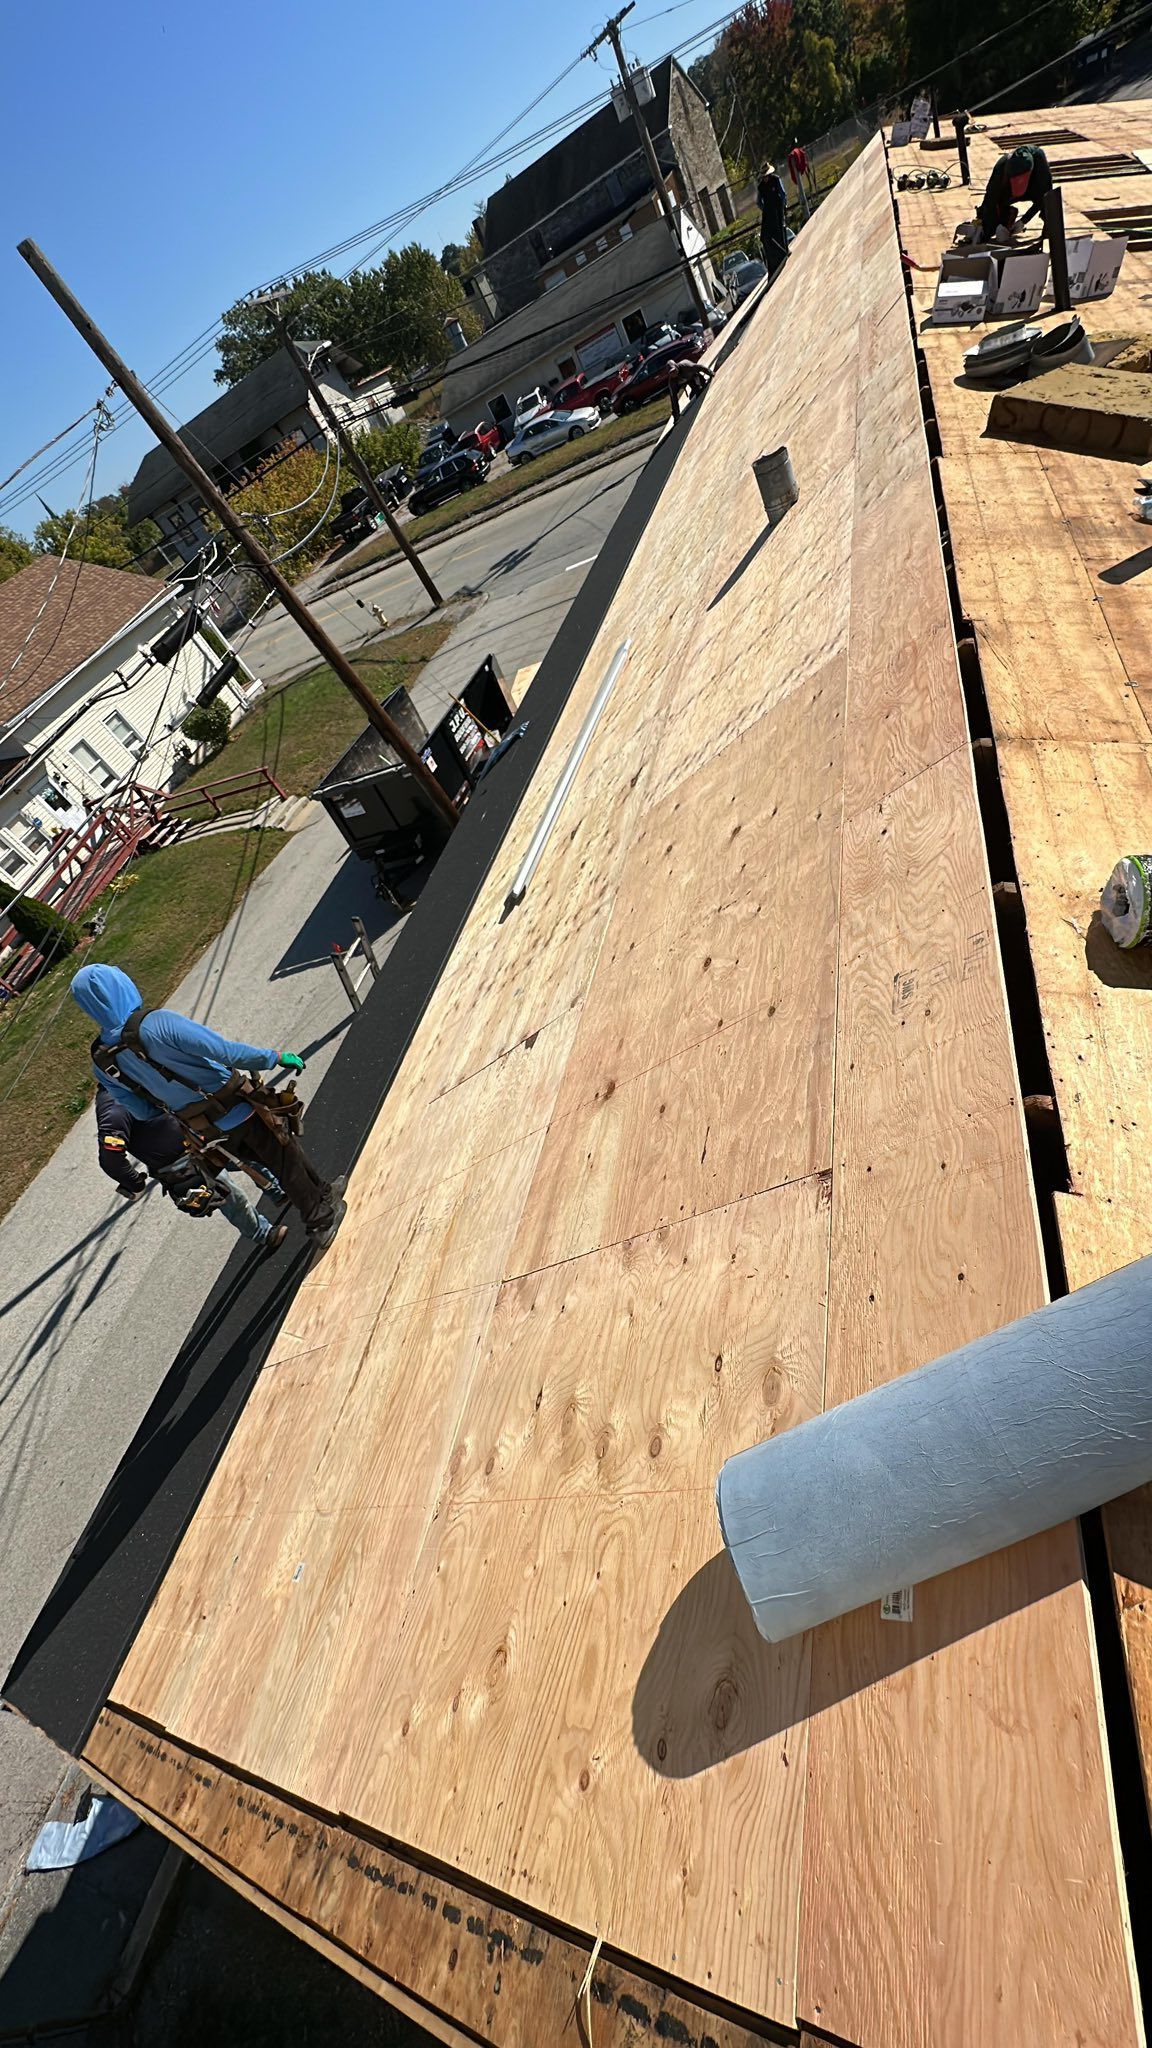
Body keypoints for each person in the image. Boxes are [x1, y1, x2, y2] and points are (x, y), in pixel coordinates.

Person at [72, 965, 345, 1251]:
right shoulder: (156, 1024)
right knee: (284, 1159)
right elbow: (224, 1051)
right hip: (238, 1105)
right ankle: (320, 1221)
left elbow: (143, 1112)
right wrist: (273, 1057)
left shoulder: (103, 1062)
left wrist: (175, 1099)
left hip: (205, 1130)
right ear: (121, 986)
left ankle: (323, 1194)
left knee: (283, 1152)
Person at [95, 1083, 287, 1252]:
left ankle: (280, 1192)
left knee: (249, 1156)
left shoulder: (138, 1081)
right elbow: (111, 1158)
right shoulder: (114, 1106)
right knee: (231, 1196)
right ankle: (263, 1233)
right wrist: (135, 1182)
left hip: (200, 1138)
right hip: (180, 1165)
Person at [976, 144, 1052, 243]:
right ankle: (1003, 223)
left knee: (1050, 205)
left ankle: (1049, 231)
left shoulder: (1040, 166)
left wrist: (1024, 220)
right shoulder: (1000, 171)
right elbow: (990, 201)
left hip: (1031, 188)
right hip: (1008, 191)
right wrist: (984, 229)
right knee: (992, 215)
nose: (1019, 182)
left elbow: (1044, 196)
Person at [756, 161, 790, 278]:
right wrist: (764, 209)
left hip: (778, 208)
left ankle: (785, 250)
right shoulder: (760, 187)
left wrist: (784, 205)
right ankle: (775, 259)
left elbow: (783, 193)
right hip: (768, 211)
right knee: (767, 235)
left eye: (766, 176)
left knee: (781, 228)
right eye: (764, 176)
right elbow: (758, 202)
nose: (765, 178)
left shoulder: (776, 179)